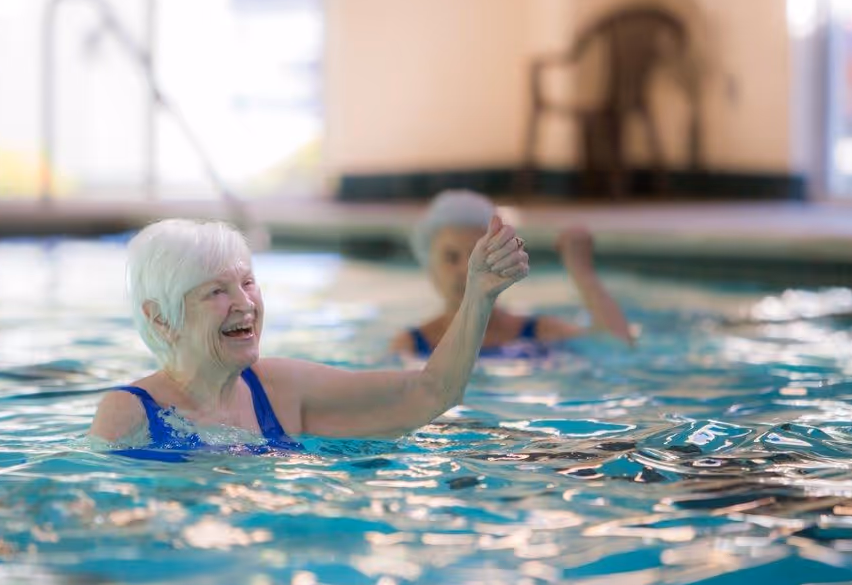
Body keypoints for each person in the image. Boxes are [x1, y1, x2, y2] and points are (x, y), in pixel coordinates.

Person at [89, 215, 529, 451]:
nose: (244, 303)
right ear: (161, 319)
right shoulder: (130, 414)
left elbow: (432, 393)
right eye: (216, 292)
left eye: (247, 282)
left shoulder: (279, 390)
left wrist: (479, 297)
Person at [391, 190, 633, 357]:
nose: (467, 268)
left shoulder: (537, 333)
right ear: (430, 269)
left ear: (503, 260)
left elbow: (618, 348)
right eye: (451, 257)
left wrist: (581, 271)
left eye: (479, 254)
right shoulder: (410, 347)